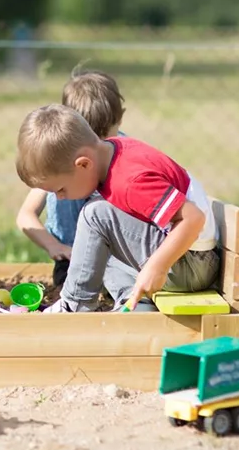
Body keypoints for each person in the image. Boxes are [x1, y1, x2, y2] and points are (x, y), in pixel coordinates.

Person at [14, 105, 220, 313]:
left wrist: (157, 266)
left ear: (84, 164)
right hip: (186, 259)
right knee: (94, 249)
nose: (59, 198)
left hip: (190, 264)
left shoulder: (130, 180)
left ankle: (74, 306)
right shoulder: (113, 151)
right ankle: (135, 304)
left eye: (60, 189)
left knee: (94, 216)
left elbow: (193, 218)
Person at [16, 71, 132, 303]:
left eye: (104, 138)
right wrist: (54, 246)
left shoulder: (126, 156)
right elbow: (26, 215)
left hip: (116, 261)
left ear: (119, 120)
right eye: (89, 137)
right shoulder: (59, 159)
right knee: (68, 294)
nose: (95, 147)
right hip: (71, 258)